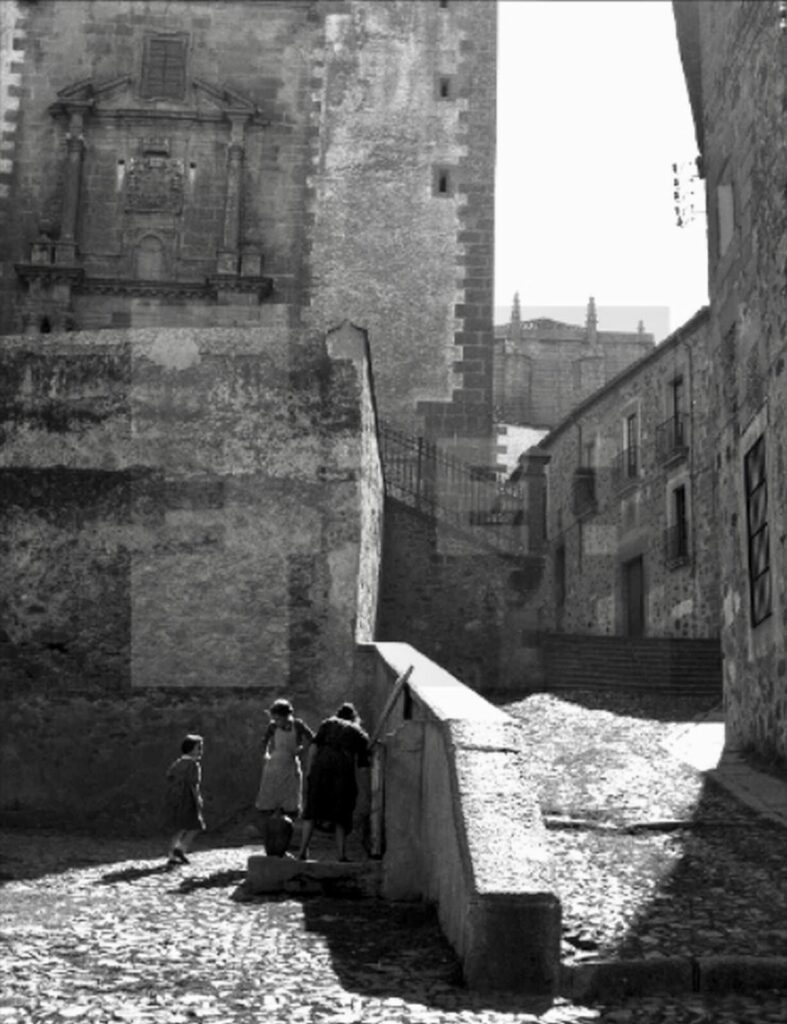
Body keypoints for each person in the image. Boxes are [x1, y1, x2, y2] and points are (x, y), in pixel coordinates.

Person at [297, 702, 370, 862]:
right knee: (341, 813)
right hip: (342, 771)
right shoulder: (359, 733)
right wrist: (365, 792)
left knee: (312, 810)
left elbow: (313, 749)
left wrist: (310, 772)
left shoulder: (327, 723)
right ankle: (341, 855)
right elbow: (364, 766)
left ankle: (302, 851)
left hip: (321, 768)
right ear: (354, 718)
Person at [255, 699, 314, 822]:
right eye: (275, 719)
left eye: (279, 719)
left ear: (287, 716)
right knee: (272, 796)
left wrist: (302, 750)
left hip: (290, 763)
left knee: (290, 796)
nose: (276, 722)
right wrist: (265, 755)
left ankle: (287, 824)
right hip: (274, 765)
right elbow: (264, 742)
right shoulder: (272, 726)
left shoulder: (297, 725)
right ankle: (272, 825)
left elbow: (313, 739)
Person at [164, 734, 205, 868]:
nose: (201, 751)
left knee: (179, 827)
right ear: (192, 749)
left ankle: (172, 853)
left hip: (176, 798)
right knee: (195, 826)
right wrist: (198, 798)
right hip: (189, 798)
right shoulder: (194, 765)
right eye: (199, 748)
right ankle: (180, 849)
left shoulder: (177, 763)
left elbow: (169, 776)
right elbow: (194, 783)